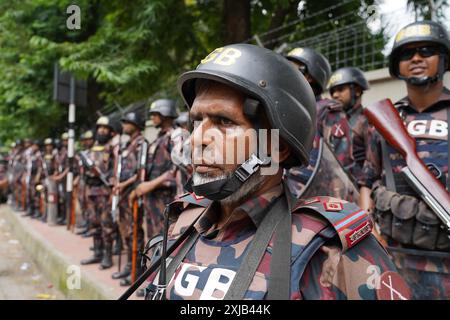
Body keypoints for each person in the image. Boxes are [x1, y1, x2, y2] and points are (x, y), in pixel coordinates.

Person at [137, 44, 409, 300]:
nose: (197, 139)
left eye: (224, 121)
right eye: (197, 121)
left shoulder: (334, 251)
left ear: (277, 147)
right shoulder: (181, 223)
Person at [362, 21, 450, 299]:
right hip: (394, 255)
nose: (416, 59)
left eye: (426, 51)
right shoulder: (385, 119)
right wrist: (369, 230)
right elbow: (367, 179)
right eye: (406, 54)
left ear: (444, 59)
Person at [283, 47, 354, 200]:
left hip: (313, 196)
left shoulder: (329, 112)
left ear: (309, 75)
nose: (283, 70)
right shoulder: (282, 109)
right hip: (279, 193)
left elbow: (341, 168)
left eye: (291, 66)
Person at [126, 99, 178, 287]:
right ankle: (151, 281)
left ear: (165, 115)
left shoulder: (176, 137)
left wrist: (151, 185)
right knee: (152, 241)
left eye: (155, 114)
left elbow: (177, 169)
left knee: (162, 242)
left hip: (164, 198)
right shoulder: (159, 138)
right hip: (152, 199)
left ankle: (158, 284)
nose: (152, 118)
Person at [328, 67, 373, 210]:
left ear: (357, 91)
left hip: (364, 193)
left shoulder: (369, 120)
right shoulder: (332, 122)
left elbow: (373, 165)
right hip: (337, 192)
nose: (335, 95)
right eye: (333, 91)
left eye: (341, 89)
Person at [110, 112, 147, 283]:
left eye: (127, 122)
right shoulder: (126, 145)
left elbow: (140, 172)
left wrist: (124, 185)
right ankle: (129, 265)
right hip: (122, 195)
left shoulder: (141, 144)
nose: (123, 125)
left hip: (133, 193)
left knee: (134, 231)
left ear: (136, 124)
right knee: (124, 229)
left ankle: (137, 269)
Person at [80, 116, 114, 270]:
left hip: (105, 191)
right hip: (91, 190)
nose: (101, 130)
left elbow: (116, 169)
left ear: (110, 131)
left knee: (106, 224)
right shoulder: (90, 150)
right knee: (93, 222)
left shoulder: (113, 148)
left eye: (105, 128)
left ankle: (107, 256)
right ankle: (97, 252)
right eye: (100, 127)